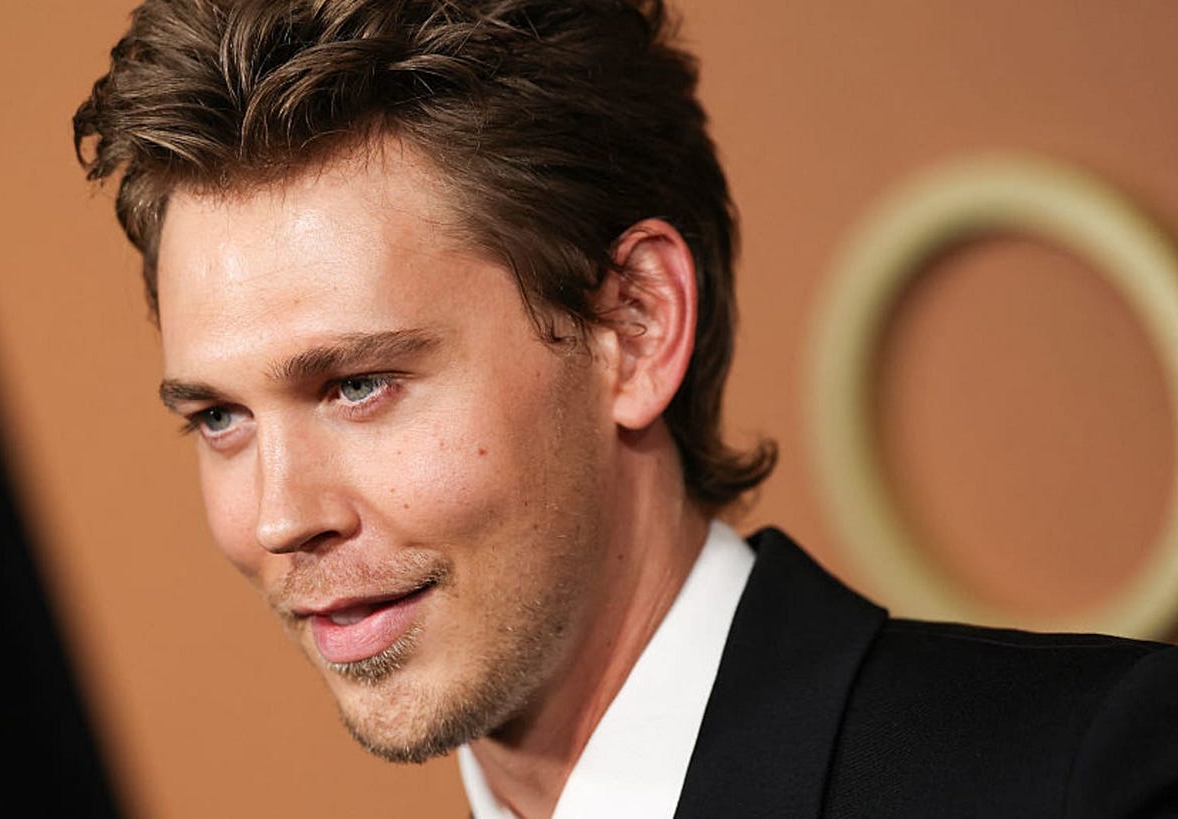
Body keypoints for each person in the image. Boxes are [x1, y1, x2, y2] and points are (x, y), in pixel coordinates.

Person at [73, 1, 1178, 816]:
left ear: (635, 328)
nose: (279, 517)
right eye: (219, 418)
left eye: (358, 384)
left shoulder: (1084, 779)